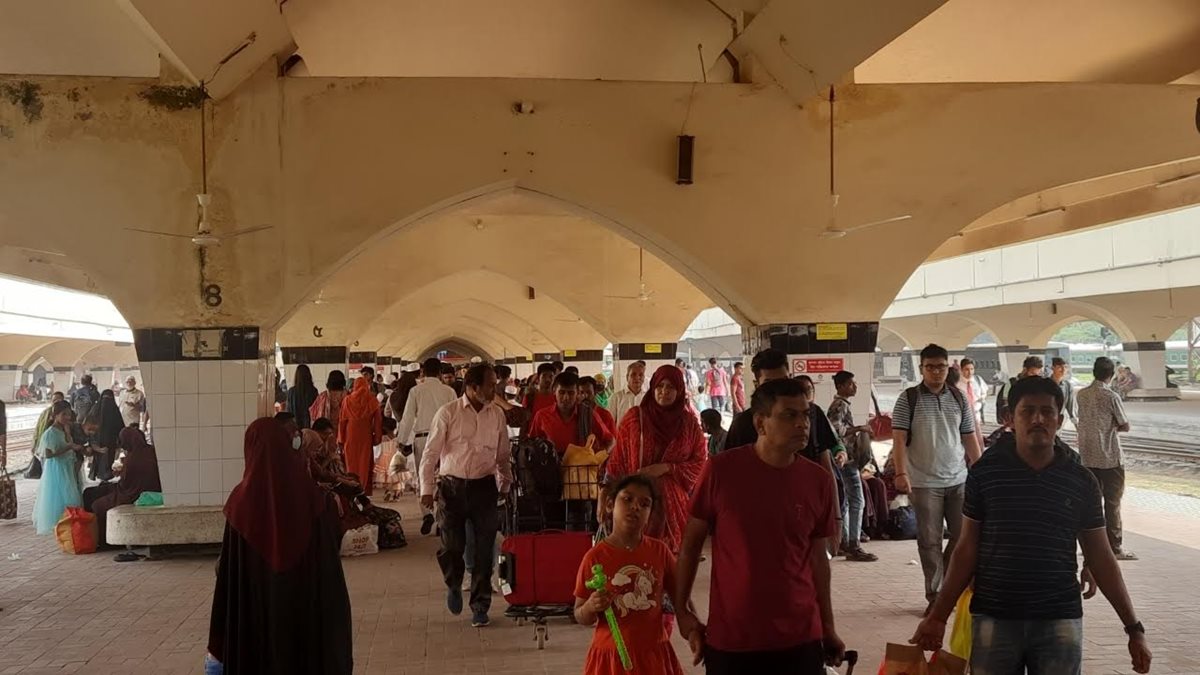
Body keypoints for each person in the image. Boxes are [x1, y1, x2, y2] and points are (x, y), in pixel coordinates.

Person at [911, 377, 1151, 675]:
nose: (1038, 419)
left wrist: (1134, 629)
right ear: (1010, 418)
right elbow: (966, 550)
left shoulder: (1080, 481)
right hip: (995, 615)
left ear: (1059, 420)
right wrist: (938, 616)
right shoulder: (986, 474)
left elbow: (1101, 556)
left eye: (1047, 412)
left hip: (1059, 617)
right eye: (1027, 411)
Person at [675, 378, 844, 674]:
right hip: (734, 638)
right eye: (789, 415)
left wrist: (828, 627)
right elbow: (690, 546)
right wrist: (682, 610)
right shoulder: (721, 471)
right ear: (760, 423)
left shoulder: (818, 480)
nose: (802, 423)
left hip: (800, 635)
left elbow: (819, 560)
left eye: (806, 415)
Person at [206, 418, 352, 675]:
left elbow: (228, 578)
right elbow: (329, 576)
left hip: (254, 620)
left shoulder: (240, 504)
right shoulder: (312, 498)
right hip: (305, 616)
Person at [891, 344, 983, 614]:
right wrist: (901, 472)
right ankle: (935, 596)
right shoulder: (908, 399)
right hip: (922, 482)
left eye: (941, 367)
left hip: (958, 479)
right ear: (921, 369)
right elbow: (898, 438)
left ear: (947, 368)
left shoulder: (958, 397)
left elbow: (969, 436)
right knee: (929, 541)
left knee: (963, 537)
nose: (936, 372)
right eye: (930, 367)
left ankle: (946, 584)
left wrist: (980, 470)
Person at [420, 363, 513, 628]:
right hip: (452, 488)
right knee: (452, 546)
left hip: (485, 488)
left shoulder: (497, 415)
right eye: (490, 385)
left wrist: (505, 484)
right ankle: (453, 582)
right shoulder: (448, 413)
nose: (494, 390)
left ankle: (480, 606)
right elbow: (430, 453)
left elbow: (503, 454)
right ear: (473, 387)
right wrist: (426, 489)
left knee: (484, 550)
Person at [574, 475, 687, 675]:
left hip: (653, 656)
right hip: (610, 659)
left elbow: (681, 598)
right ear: (610, 505)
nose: (635, 507)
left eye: (644, 504)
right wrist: (591, 606)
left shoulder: (659, 551)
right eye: (627, 499)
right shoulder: (594, 558)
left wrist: (692, 627)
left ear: (650, 514)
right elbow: (580, 614)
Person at [604, 365, 707, 554]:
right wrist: (606, 494)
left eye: (670, 387)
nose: (664, 392)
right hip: (635, 502)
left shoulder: (689, 424)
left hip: (673, 508)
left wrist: (667, 468)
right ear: (652, 388)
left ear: (679, 390)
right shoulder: (634, 418)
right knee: (635, 560)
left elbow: (700, 461)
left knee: (669, 562)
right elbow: (618, 459)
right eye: (660, 386)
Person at [1077, 356, 1136, 561]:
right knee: (1112, 504)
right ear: (1110, 375)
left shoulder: (1081, 395)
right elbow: (1124, 424)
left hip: (1087, 457)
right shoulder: (1111, 396)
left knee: (1089, 504)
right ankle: (1115, 547)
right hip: (1110, 458)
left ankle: (1089, 546)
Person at [398, 358, 458, 534]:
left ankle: (427, 513)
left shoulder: (416, 391)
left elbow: (408, 418)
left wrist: (402, 441)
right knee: (444, 477)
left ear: (423, 372)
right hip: (445, 438)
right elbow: (457, 415)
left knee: (424, 476)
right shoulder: (449, 391)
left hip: (422, 438)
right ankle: (441, 518)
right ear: (440, 373)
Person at [826, 370, 878, 562]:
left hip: (845, 459)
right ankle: (853, 544)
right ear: (840, 387)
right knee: (857, 500)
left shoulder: (842, 404)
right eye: (850, 384)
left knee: (847, 501)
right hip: (846, 459)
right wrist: (860, 428)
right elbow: (835, 429)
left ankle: (846, 541)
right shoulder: (839, 405)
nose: (854, 387)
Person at [83, 427, 161, 549]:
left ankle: (105, 541)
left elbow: (125, 485)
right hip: (145, 491)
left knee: (97, 505)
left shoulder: (133, 458)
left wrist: (120, 475)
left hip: (132, 494)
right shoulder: (151, 452)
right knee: (93, 492)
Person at [528, 371, 616, 455]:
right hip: (551, 465)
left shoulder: (588, 415)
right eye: (562, 392)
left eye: (571, 393)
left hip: (583, 465)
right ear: (554, 391)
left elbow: (611, 441)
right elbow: (532, 444)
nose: (566, 397)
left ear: (577, 393)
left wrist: (598, 458)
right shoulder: (542, 416)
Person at [31, 400, 84, 535]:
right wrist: (68, 447)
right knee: (61, 495)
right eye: (63, 414)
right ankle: (60, 523)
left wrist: (69, 437)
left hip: (67, 466)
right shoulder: (50, 433)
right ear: (55, 415)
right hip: (57, 468)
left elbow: (69, 443)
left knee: (70, 493)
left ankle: (69, 523)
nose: (67, 417)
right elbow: (48, 455)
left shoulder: (64, 429)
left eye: (69, 414)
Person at [338, 376, 382, 497]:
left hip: (350, 435)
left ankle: (352, 488)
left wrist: (341, 439)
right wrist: (377, 438)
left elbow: (342, 421)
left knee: (351, 463)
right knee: (364, 462)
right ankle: (362, 489)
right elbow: (378, 422)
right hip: (365, 435)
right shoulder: (372, 400)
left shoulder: (347, 400)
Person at [88, 389, 124, 481]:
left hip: (104, 440)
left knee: (104, 459)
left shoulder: (96, 409)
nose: (106, 401)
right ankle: (104, 476)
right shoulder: (113, 409)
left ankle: (103, 476)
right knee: (104, 458)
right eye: (105, 398)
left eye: (108, 398)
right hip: (105, 440)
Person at [997, 355, 1043, 423]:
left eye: (1037, 374)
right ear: (1025, 369)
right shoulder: (1010, 384)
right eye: (1032, 373)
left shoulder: (1038, 385)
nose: (1034, 377)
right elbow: (1004, 404)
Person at [608, 360, 647, 426]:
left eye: (641, 375)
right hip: (621, 433)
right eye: (633, 374)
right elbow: (609, 423)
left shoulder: (648, 398)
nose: (637, 378)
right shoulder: (616, 398)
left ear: (644, 378)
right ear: (627, 377)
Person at [287, 364, 320, 430]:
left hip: (295, 427)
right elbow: (317, 410)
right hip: (310, 427)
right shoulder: (313, 391)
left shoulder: (291, 391)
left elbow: (289, 411)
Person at [958, 358, 987, 426]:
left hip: (976, 415)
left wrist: (981, 399)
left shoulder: (978, 380)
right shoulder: (957, 383)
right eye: (967, 369)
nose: (970, 372)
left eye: (972, 369)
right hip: (962, 416)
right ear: (961, 369)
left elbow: (984, 393)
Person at [1051, 357, 1079, 427]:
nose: (1063, 370)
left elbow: (1070, 406)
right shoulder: (1045, 384)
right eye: (1059, 367)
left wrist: (1075, 423)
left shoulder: (1067, 386)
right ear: (1053, 368)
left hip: (1059, 421)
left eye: (1066, 367)